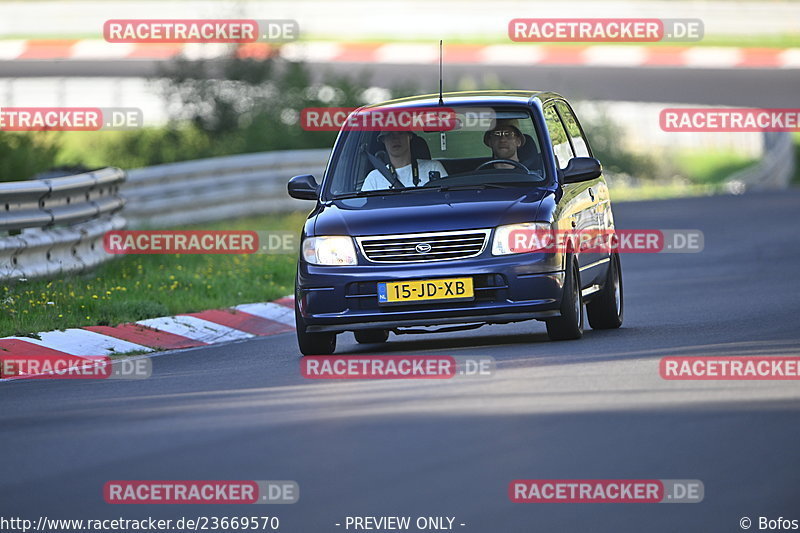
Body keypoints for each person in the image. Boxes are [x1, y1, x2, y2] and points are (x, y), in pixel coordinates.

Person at [361, 131, 448, 191]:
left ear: (409, 136)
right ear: (383, 140)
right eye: (390, 134)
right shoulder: (373, 179)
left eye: (400, 133)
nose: (395, 139)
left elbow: (447, 201)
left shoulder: (434, 168)